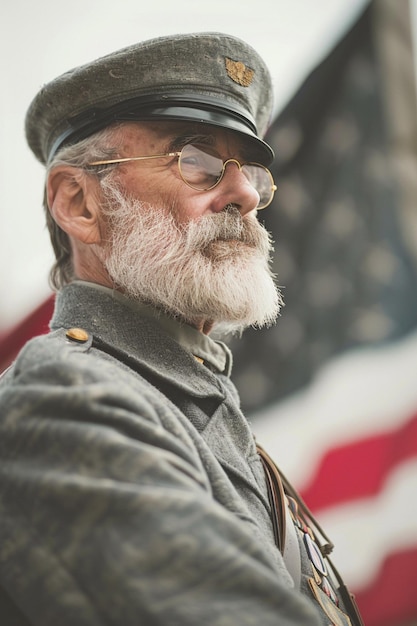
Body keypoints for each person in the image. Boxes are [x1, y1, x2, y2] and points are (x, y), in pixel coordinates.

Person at [0, 32, 363, 626]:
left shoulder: (195, 404)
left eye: (250, 172)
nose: (245, 193)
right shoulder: (65, 396)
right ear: (80, 203)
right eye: (194, 158)